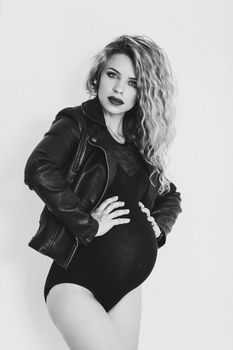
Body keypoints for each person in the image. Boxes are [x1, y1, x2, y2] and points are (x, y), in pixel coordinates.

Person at [24, 35, 182, 350]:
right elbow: (39, 168)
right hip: (75, 283)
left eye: (133, 82)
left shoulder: (139, 144)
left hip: (125, 287)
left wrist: (158, 227)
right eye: (113, 75)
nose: (119, 88)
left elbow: (169, 195)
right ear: (99, 75)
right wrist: (88, 222)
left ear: (145, 92)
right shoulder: (75, 123)